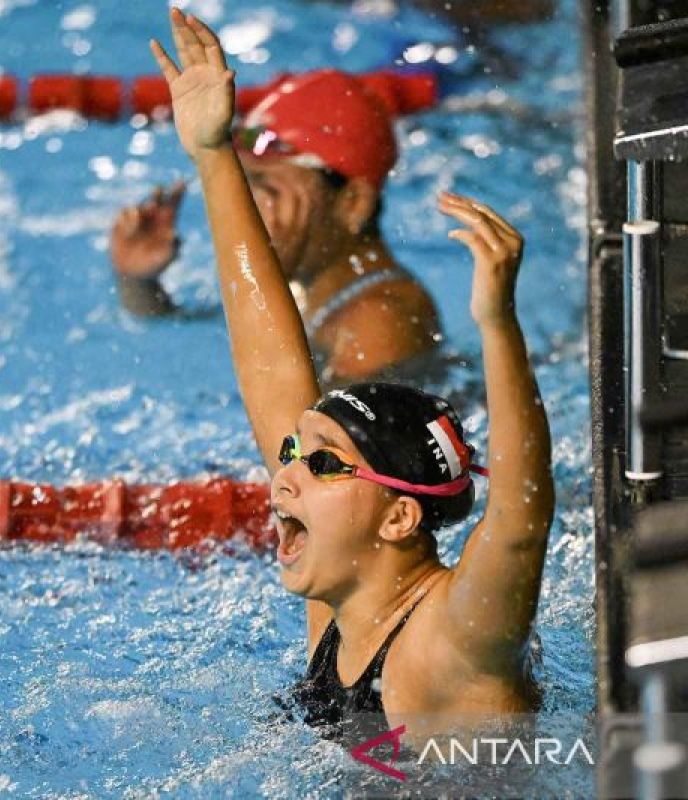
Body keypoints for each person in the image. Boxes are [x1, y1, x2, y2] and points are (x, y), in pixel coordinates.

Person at [148, 8, 554, 743]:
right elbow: (271, 361)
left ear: (400, 517)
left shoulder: (453, 643)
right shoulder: (345, 603)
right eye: (299, 455)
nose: (285, 477)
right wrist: (212, 156)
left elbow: (521, 522)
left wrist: (500, 328)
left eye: (324, 463)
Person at [110, 68, 442, 384]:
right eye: (244, 188)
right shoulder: (310, 289)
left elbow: (315, 441)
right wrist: (139, 281)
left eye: (267, 188)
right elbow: (178, 322)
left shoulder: (377, 322)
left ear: (353, 203)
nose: (242, 212)